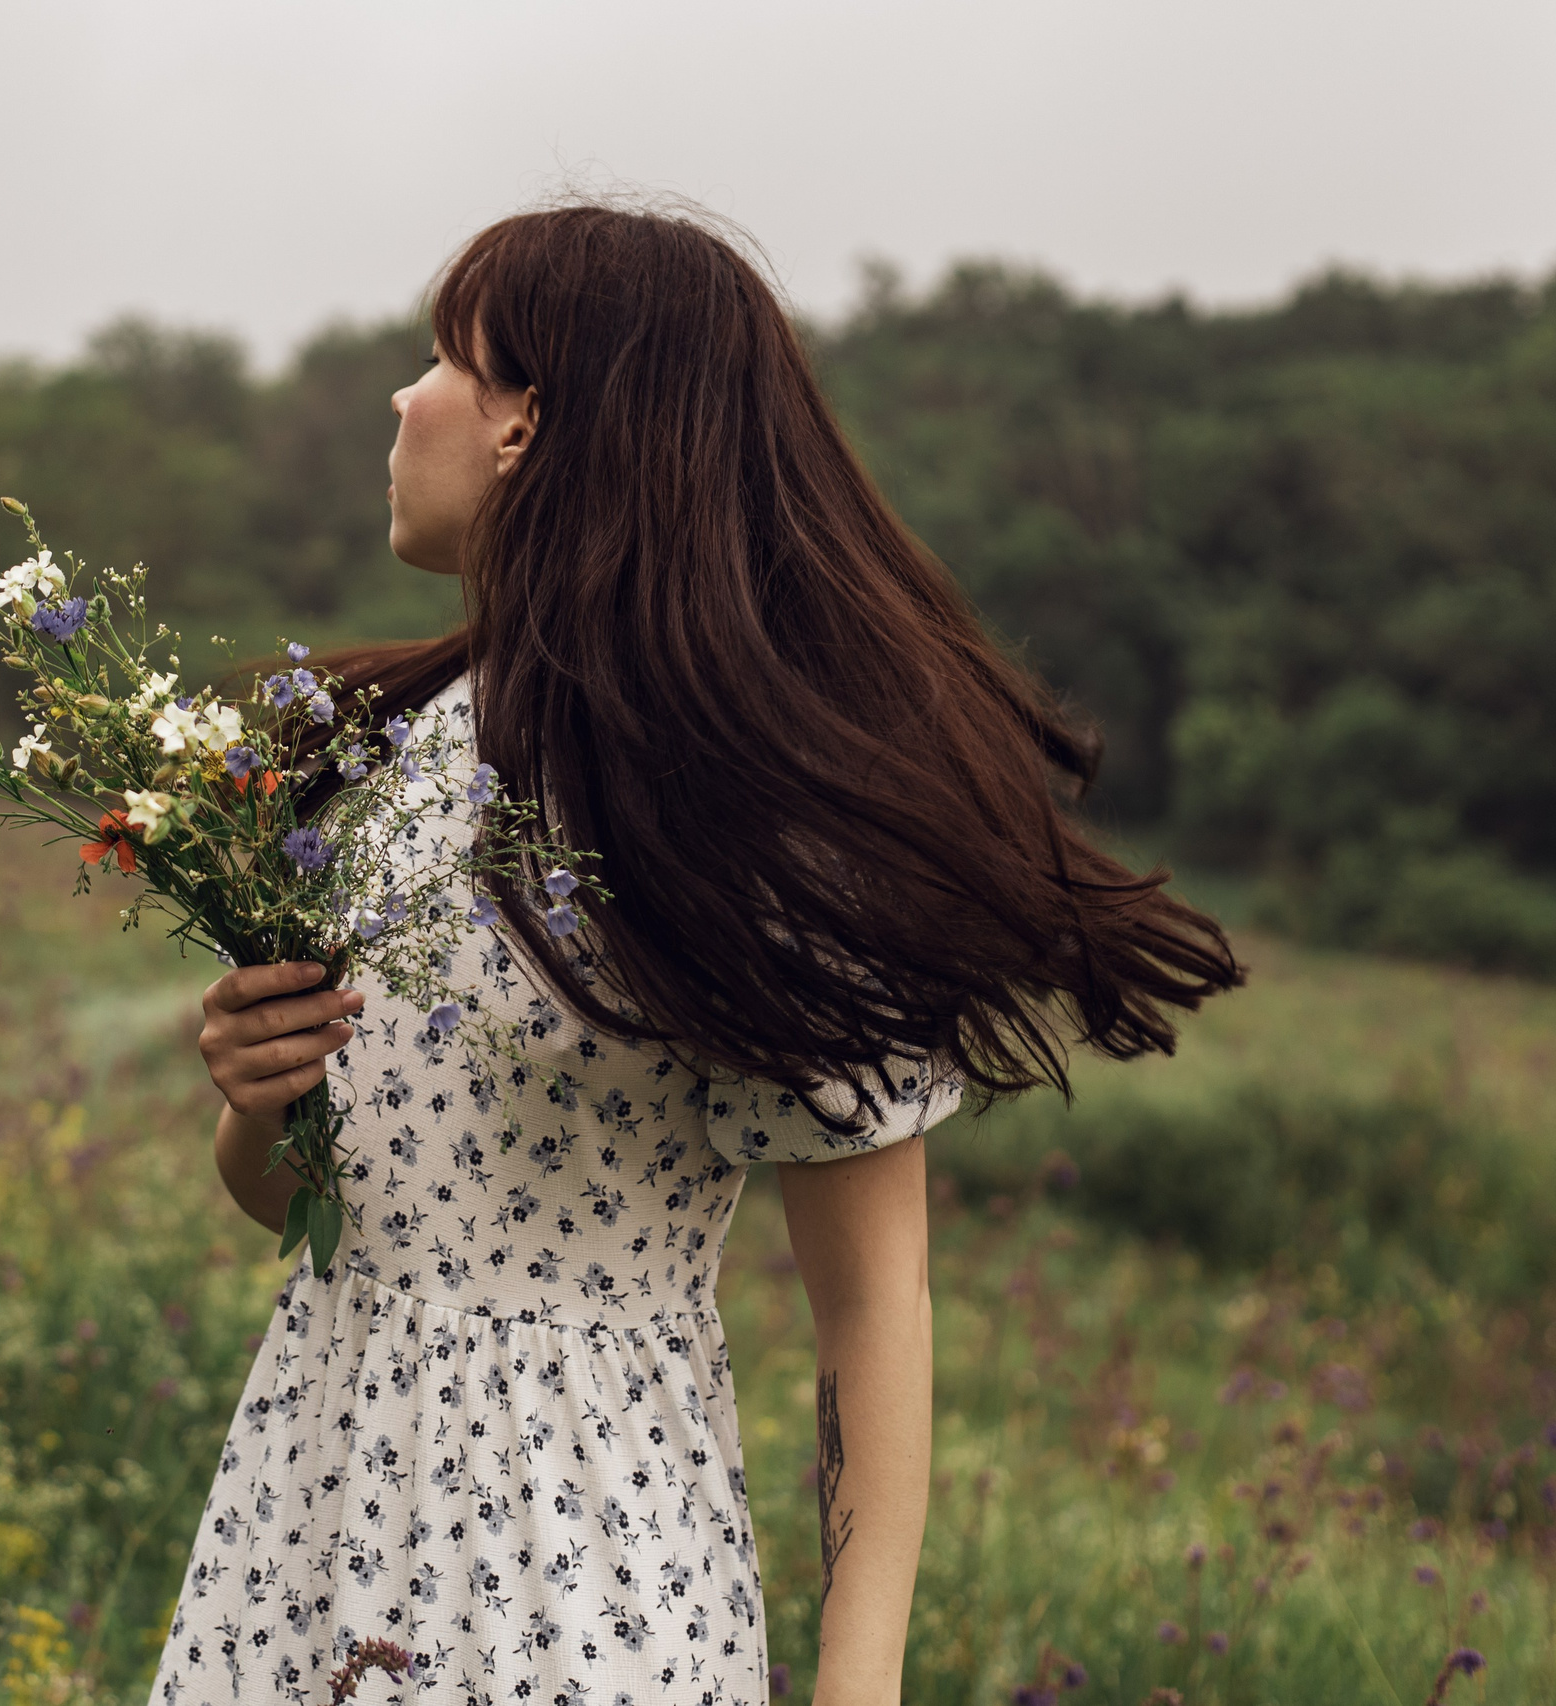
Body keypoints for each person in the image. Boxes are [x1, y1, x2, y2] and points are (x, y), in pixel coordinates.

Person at [152, 201, 1242, 1706]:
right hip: (305, 1523)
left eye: (440, 359)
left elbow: (877, 1309)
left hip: (578, 1574)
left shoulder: (748, 818)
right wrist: (256, 1093)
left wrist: (856, 1692)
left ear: (529, 422)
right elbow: (304, 1201)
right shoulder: (380, 760)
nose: (402, 399)